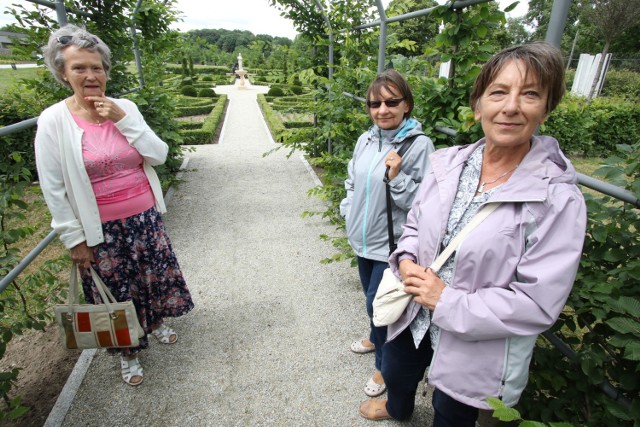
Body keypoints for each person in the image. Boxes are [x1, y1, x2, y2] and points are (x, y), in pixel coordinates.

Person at [358, 42, 587, 425]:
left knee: (452, 413)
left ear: (546, 108)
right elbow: (413, 225)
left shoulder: (557, 199)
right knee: (396, 374)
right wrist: (407, 259)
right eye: (498, 92)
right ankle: (398, 409)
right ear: (478, 104)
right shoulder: (446, 164)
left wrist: (445, 301)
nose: (510, 107)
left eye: (530, 94)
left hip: (476, 343)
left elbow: (537, 302)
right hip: (411, 310)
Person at [35, 25, 194, 386]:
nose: (91, 75)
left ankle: (154, 323)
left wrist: (123, 119)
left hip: (145, 218)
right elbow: (53, 187)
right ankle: (128, 353)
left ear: (106, 70)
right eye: (79, 68)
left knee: (151, 279)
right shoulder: (54, 120)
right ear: (63, 73)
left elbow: (158, 155)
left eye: (97, 67)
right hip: (100, 230)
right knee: (115, 292)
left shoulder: (126, 109)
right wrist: (74, 238)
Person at [340, 70, 435, 398]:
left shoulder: (419, 145)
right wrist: (347, 209)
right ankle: (373, 337)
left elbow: (425, 205)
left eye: (392, 102)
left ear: (406, 105)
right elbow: (351, 181)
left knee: (378, 305)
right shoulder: (366, 139)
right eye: (375, 103)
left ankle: (383, 366)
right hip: (362, 241)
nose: (383, 109)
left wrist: (397, 177)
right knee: (372, 301)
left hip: (392, 248)